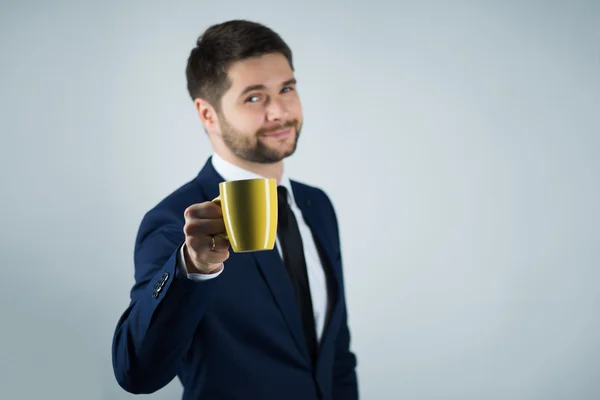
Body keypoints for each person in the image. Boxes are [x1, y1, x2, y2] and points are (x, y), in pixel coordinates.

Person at [111, 19, 358, 400]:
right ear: (208, 114)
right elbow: (136, 373)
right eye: (254, 97)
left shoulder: (317, 206)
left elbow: (335, 354)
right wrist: (191, 268)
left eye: (287, 89)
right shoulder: (177, 222)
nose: (279, 112)